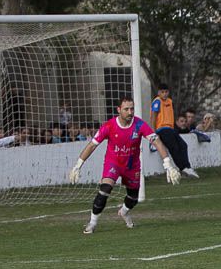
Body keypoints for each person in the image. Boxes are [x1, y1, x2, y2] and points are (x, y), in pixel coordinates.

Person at [68, 96, 181, 234]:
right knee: (105, 190)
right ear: (119, 110)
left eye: (132, 109)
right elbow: (92, 145)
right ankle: (92, 223)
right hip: (113, 163)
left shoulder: (139, 125)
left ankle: (124, 211)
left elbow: (157, 142)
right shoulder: (109, 126)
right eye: (126, 109)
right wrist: (77, 165)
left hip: (132, 166)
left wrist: (168, 165)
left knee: (133, 198)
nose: (130, 112)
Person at [149, 84, 198, 177]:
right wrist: (153, 131)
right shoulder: (157, 101)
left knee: (183, 145)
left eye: (166, 92)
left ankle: (187, 167)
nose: (164, 94)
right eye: (162, 92)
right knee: (174, 148)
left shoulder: (170, 101)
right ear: (159, 92)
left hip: (170, 129)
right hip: (162, 129)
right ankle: (183, 168)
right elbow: (154, 117)